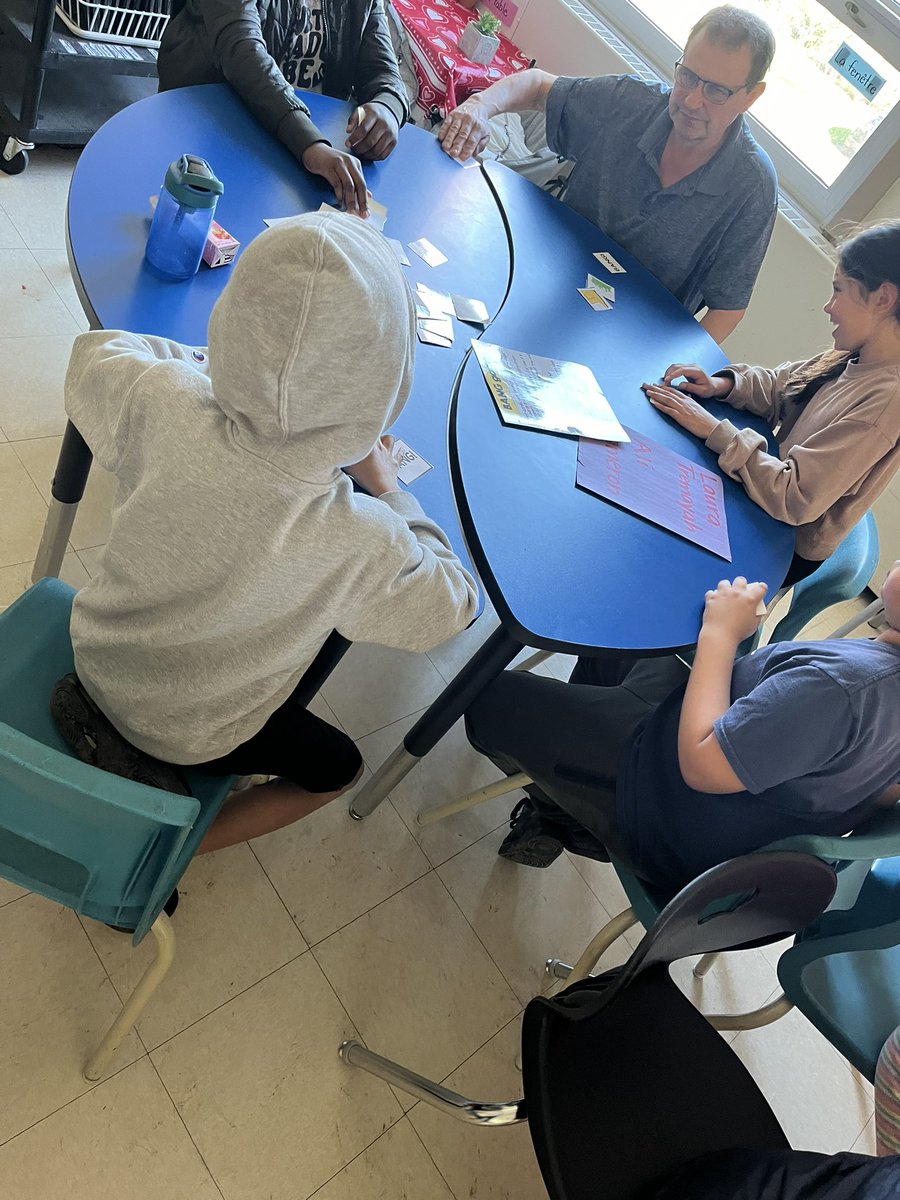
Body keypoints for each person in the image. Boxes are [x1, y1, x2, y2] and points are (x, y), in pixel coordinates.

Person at [56, 213, 478, 856]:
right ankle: (171, 854)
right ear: (386, 388)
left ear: (229, 326)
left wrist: (209, 378)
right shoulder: (362, 535)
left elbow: (96, 354)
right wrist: (389, 486)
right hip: (198, 735)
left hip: (97, 659)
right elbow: (453, 605)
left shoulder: (164, 398)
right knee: (339, 769)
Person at [464, 562, 900, 892]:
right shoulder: (867, 680)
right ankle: (573, 783)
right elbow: (881, 794)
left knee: (485, 697)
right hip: (701, 752)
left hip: (665, 803)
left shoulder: (841, 688)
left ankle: (570, 819)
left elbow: (703, 767)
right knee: (629, 624)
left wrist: (722, 634)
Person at [438, 5, 777, 344]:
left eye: (716, 91)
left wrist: (673, 373)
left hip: (631, 338)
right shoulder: (629, 102)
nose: (691, 100)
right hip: (545, 279)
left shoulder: (753, 186)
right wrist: (479, 106)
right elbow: (539, 87)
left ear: (751, 96)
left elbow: (727, 308)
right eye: (687, 76)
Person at [643, 220, 900, 588]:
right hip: (760, 499)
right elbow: (785, 386)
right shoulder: (858, 353)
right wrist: (723, 384)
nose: (828, 306)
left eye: (839, 289)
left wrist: (713, 430)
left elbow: (795, 497)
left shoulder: (885, 402)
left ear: (882, 299)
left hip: (774, 545)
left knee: (651, 555)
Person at [157, 0, 409, 218]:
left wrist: (387, 105)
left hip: (304, 151)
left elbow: (382, 70)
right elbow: (240, 47)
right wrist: (310, 146)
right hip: (218, 129)